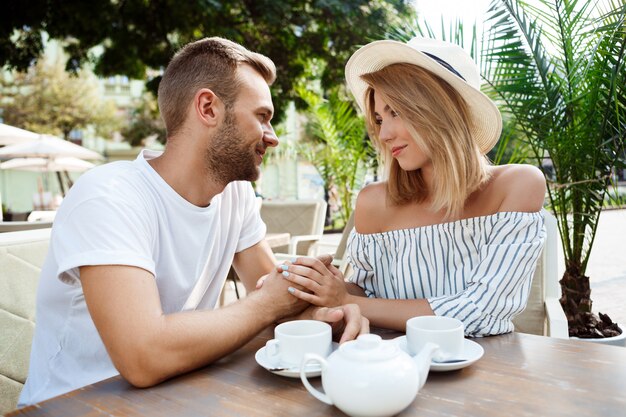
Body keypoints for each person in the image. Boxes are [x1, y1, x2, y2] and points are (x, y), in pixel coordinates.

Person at [18, 37, 367, 407]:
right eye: (262, 116)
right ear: (208, 107)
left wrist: (325, 314)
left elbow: (279, 296)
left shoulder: (235, 196)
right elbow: (144, 357)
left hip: (177, 394)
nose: (274, 137)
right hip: (73, 405)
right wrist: (268, 304)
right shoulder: (109, 196)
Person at [281, 37, 546, 337]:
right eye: (379, 119)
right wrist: (320, 282)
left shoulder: (517, 186)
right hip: (389, 369)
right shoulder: (372, 202)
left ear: (440, 110)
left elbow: (480, 312)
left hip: (486, 372)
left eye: (396, 112)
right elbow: (365, 295)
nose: (384, 134)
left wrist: (346, 300)